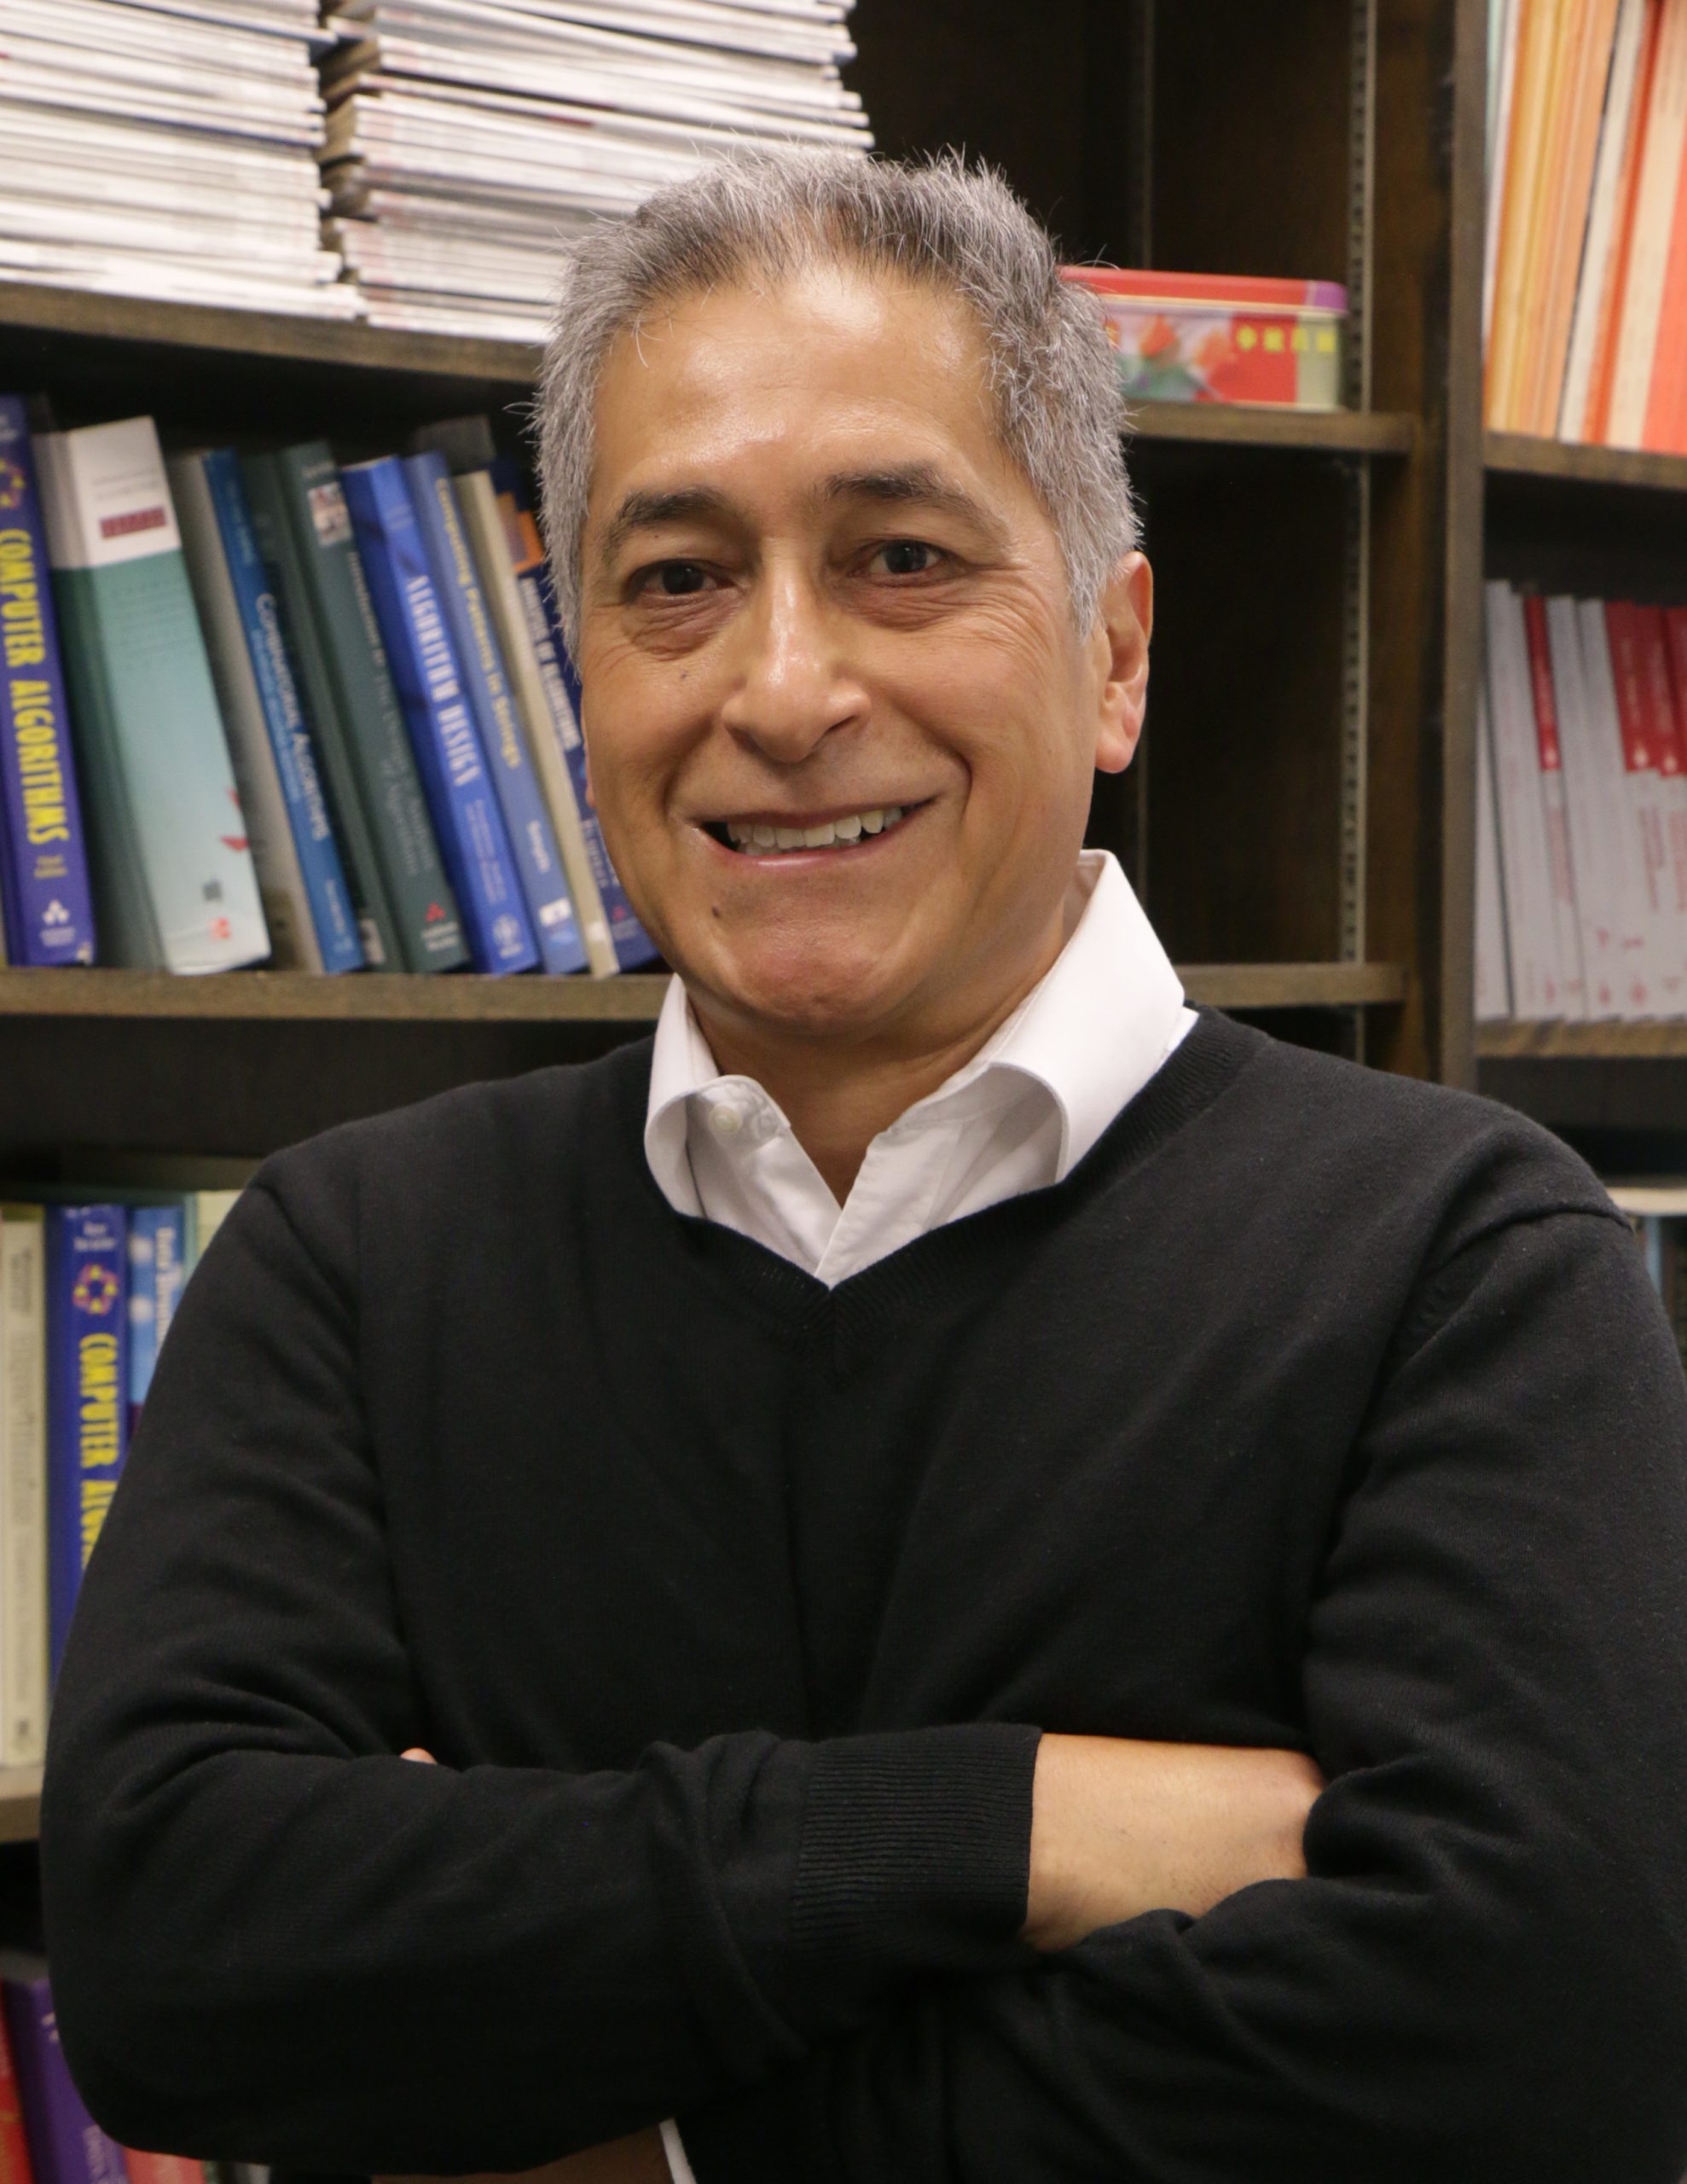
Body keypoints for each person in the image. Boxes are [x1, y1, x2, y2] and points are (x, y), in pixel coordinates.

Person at [38, 152, 1687, 2184]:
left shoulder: (1457, 1262)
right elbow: (173, 1953)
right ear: (576, 680)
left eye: (901, 557)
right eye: (674, 581)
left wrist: (635, 2134)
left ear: (1111, 650)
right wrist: (1013, 1828)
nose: (785, 688)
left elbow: (1535, 2053)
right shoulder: (358, 1257)